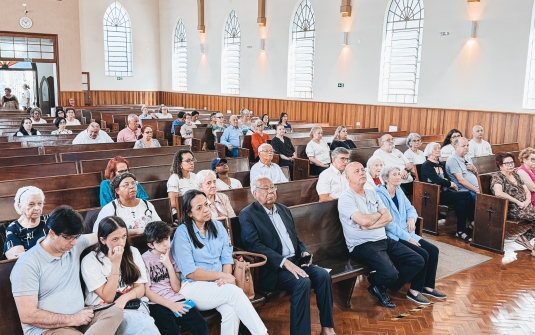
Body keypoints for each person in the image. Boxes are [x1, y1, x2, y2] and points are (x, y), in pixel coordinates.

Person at [240, 176, 336, 335]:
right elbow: (254, 245)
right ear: (255, 193)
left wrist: (303, 250)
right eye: (265, 189)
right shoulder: (248, 214)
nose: (270, 192)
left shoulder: (283, 210)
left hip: (296, 262)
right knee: (302, 282)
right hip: (273, 269)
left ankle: (327, 328)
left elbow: (295, 238)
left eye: (272, 188)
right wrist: (283, 262)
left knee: (323, 275)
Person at [10, 205, 123, 335]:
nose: (74, 242)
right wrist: (72, 320)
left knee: (114, 312)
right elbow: (28, 315)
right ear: (52, 233)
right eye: (69, 237)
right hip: (48, 329)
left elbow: (102, 235)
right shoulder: (27, 264)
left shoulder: (72, 245)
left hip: (81, 318)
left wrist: (132, 232)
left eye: (76, 237)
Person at [172, 189, 269, 335]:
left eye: (206, 204)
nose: (206, 210)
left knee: (231, 311)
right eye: (199, 208)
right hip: (192, 287)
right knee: (234, 292)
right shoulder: (182, 233)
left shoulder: (218, 227)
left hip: (217, 285)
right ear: (189, 213)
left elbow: (226, 258)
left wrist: (225, 277)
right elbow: (191, 272)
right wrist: (222, 277)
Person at [338, 162, 425, 308]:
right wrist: (376, 217)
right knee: (391, 273)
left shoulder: (372, 192)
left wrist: (371, 223)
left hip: (383, 239)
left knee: (417, 260)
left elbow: (388, 217)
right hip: (362, 244)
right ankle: (380, 282)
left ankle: (379, 285)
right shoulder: (346, 198)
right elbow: (364, 220)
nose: (361, 173)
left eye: (362, 170)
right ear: (348, 178)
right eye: (356, 171)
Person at [375, 166, 447, 303]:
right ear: (385, 179)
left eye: (398, 174)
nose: (398, 176)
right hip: (393, 235)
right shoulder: (378, 194)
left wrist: (411, 218)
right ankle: (414, 290)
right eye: (394, 174)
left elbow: (411, 208)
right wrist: (407, 237)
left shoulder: (399, 191)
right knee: (422, 254)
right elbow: (388, 224)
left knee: (433, 250)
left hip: (407, 231)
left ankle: (428, 287)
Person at [82, 216, 160, 335]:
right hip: (104, 310)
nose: (121, 243)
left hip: (132, 305)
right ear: (103, 240)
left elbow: (140, 288)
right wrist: (116, 263)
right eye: (115, 239)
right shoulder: (91, 260)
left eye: (124, 236)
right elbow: (107, 297)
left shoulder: (133, 252)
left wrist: (124, 298)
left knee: (144, 325)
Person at [142, 221, 208, 335]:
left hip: (176, 297)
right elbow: (146, 292)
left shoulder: (172, 253)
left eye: (167, 239)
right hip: (156, 303)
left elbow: (176, 288)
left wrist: (168, 265)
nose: (165, 244)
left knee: (201, 326)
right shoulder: (144, 260)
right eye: (160, 241)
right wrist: (171, 305)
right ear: (151, 245)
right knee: (172, 331)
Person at [421, 143, 475, 242]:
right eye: (435, 149)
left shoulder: (440, 164)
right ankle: (472, 220)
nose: (438, 150)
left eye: (439, 148)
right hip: (435, 194)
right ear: (429, 151)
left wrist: (448, 183)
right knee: (467, 194)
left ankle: (460, 231)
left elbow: (446, 177)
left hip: (445, 192)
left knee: (461, 202)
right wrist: (450, 184)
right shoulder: (426, 165)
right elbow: (437, 180)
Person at [491, 152, 535, 253]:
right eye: (507, 163)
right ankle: (528, 242)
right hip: (511, 208)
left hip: (525, 205)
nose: (510, 165)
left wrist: (527, 201)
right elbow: (498, 193)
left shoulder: (516, 175)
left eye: (512, 162)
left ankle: (524, 238)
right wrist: (518, 202)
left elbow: (527, 190)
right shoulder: (498, 176)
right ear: (500, 165)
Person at [94, 173, 160, 234]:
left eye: (133, 183)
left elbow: (159, 225)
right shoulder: (110, 209)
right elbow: (99, 232)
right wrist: (136, 231)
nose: (131, 186)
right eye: (126, 185)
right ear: (117, 191)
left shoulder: (147, 204)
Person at [4, 186, 48, 260]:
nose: (37, 208)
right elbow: (19, 260)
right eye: (31, 204)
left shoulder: (49, 220)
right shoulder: (13, 229)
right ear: (20, 206)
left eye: (40, 203)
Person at [445, 137, 479, 202]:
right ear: (456, 147)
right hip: (466, 190)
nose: (466, 147)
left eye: (467, 145)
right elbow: (461, 180)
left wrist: (474, 169)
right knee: (486, 202)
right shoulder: (453, 160)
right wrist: (476, 190)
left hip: (475, 188)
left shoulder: (467, 157)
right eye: (463, 146)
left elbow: (476, 175)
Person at [168, 150, 199, 218]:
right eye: (188, 161)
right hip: (181, 212)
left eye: (192, 160)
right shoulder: (174, 178)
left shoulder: (195, 176)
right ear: (180, 164)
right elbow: (173, 203)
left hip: (197, 208)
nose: (191, 163)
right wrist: (192, 207)